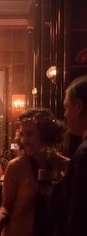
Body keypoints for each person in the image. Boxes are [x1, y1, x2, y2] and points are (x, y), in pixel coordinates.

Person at [0, 108, 69, 236]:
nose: (24, 140)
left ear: (46, 134)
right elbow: (6, 206)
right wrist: (1, 215)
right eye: (22, 134)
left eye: (29, 134)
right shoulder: (15, 167)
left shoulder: (65, 165)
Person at [52, 75, 87, 236]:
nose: (64, 115)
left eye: (66, 108)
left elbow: (78, 213)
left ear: (78, 107)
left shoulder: (84, 153)